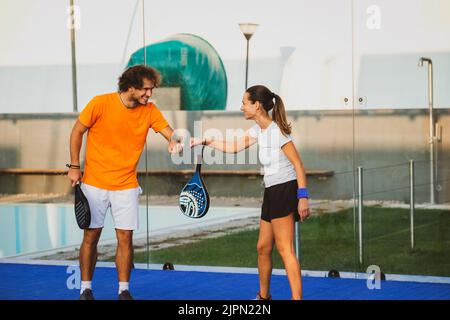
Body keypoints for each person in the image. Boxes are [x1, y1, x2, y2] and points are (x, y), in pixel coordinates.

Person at [67, 65, 183, 300]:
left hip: (127, 185)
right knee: (91, 237)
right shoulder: (100, 103)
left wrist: (175, 141)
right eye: (146, 89)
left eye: (151, 90)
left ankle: (123, 290)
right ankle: (85, 288)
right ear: (130, 87)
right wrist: (74, 167)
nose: (149, 94)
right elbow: (77, 131)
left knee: (125, 239)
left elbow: (171, 133)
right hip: (94, 183)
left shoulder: (150, 111)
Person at [190, 85, 310, 300]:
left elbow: (299, 165)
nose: (242, 107)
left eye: (245, 103)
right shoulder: (258, 130)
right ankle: (264, 297)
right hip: (271, 191)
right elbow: (234, 147)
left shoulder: (277, 132)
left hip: (285, 189)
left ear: (257, 105)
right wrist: (206, 141)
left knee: (285, 249)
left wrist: (303, 198)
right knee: (263, 247)